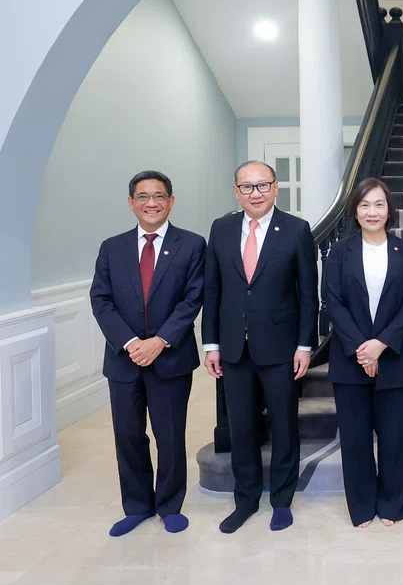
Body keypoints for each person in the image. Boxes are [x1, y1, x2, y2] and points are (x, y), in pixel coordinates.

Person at [202, 160, 319, 533]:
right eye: (247, 187)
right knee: (242, 428)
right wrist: (211, 343)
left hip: (281, 347)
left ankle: (281, 500)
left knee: (284, 425)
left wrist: (305, 345)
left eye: (263, 185)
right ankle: (246, 499)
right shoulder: (220, 229)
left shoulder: (296, 230)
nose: (256, 193)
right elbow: (212, 291)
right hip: (234, 348)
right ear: (236, 191)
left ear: (276, 188)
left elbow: (307, 294)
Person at [90, 170, 205, 537]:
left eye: (159, 196)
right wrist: (129, 342)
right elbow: (101, 299)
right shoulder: (112, 247)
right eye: (143, 197)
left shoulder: (191, 244)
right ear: (131, 203)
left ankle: (170, 505)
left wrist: (159, 341)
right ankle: (137, 506)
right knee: (128, 436)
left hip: (170, 357)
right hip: (123, 360)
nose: (151, 203)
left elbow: (193, 298)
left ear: (171, 201)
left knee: (170, 435)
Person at [322, 178, 403, 528]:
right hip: (350, 358)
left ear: (389, 209)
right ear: (355, 210)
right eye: (365, 205)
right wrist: (362, 349)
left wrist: (381, 344)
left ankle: (394, 504)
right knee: (356, 439)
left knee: (394, 438)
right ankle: (361, 506)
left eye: (379, 204)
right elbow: (332, 301)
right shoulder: (339, 252)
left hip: (393, 356)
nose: (372, 212)